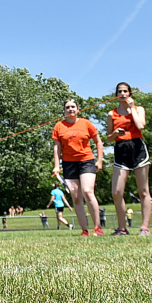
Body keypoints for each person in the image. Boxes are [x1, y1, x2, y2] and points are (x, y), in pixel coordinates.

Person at [106, 81, 152, 237]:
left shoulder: (139, 109)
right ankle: (122, 228)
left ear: (130, 93)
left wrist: (132, 108)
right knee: (116, 192)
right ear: (116, 95)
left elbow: (140, 126)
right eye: (120, 91)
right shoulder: (111, 114)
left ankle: (145, 228)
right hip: (121, 150)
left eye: (125, 91)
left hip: (137, 148)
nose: (123, 94)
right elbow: (109, 138)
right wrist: (115, 134)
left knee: (143, 191)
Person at [53, 98, 104, 236]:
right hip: (69, 164)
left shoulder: (86, 123)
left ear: (78, 109)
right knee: (76, 197)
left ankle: (98, 228)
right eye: (67, 107)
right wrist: (57, 166)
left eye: (73, 107)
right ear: (64, 111)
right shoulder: (59, 126)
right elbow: (57, 147)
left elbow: (99, 142)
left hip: (86, 161)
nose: (70, 109)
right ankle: (84, 230)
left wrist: (99, 160)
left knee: (88, 191)